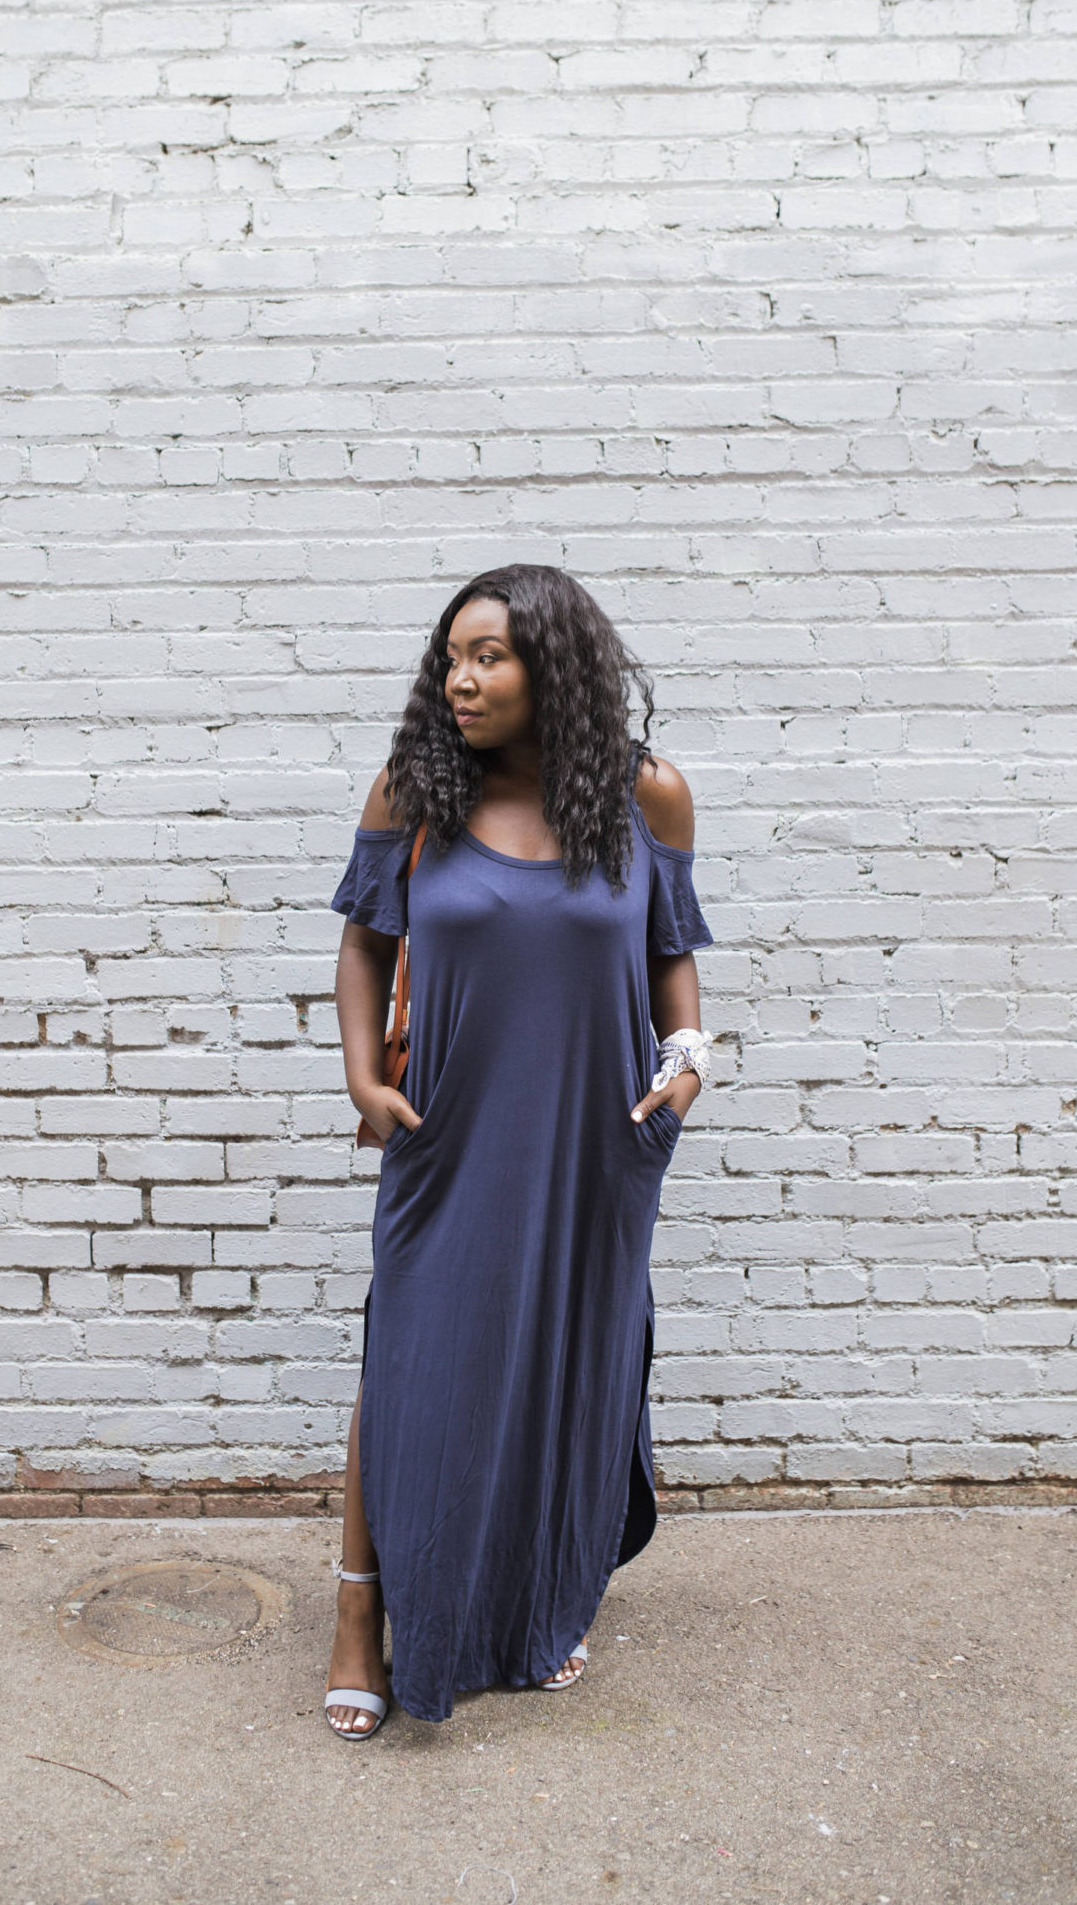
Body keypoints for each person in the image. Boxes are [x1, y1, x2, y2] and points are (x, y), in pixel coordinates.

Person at [322, 564, 714, 1738]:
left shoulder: (650, 799)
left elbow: (673, 956)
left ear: (557, 663)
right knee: (412, 1370)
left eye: (488, 654)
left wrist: (689, 1062)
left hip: (598, 1137)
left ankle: (545, 1601)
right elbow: (362, 948)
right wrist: (360, 1077)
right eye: (452, 656)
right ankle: (359, 1620)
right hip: (447, 1134)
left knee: (568, 1368)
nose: (462, 678)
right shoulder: (416, 793)